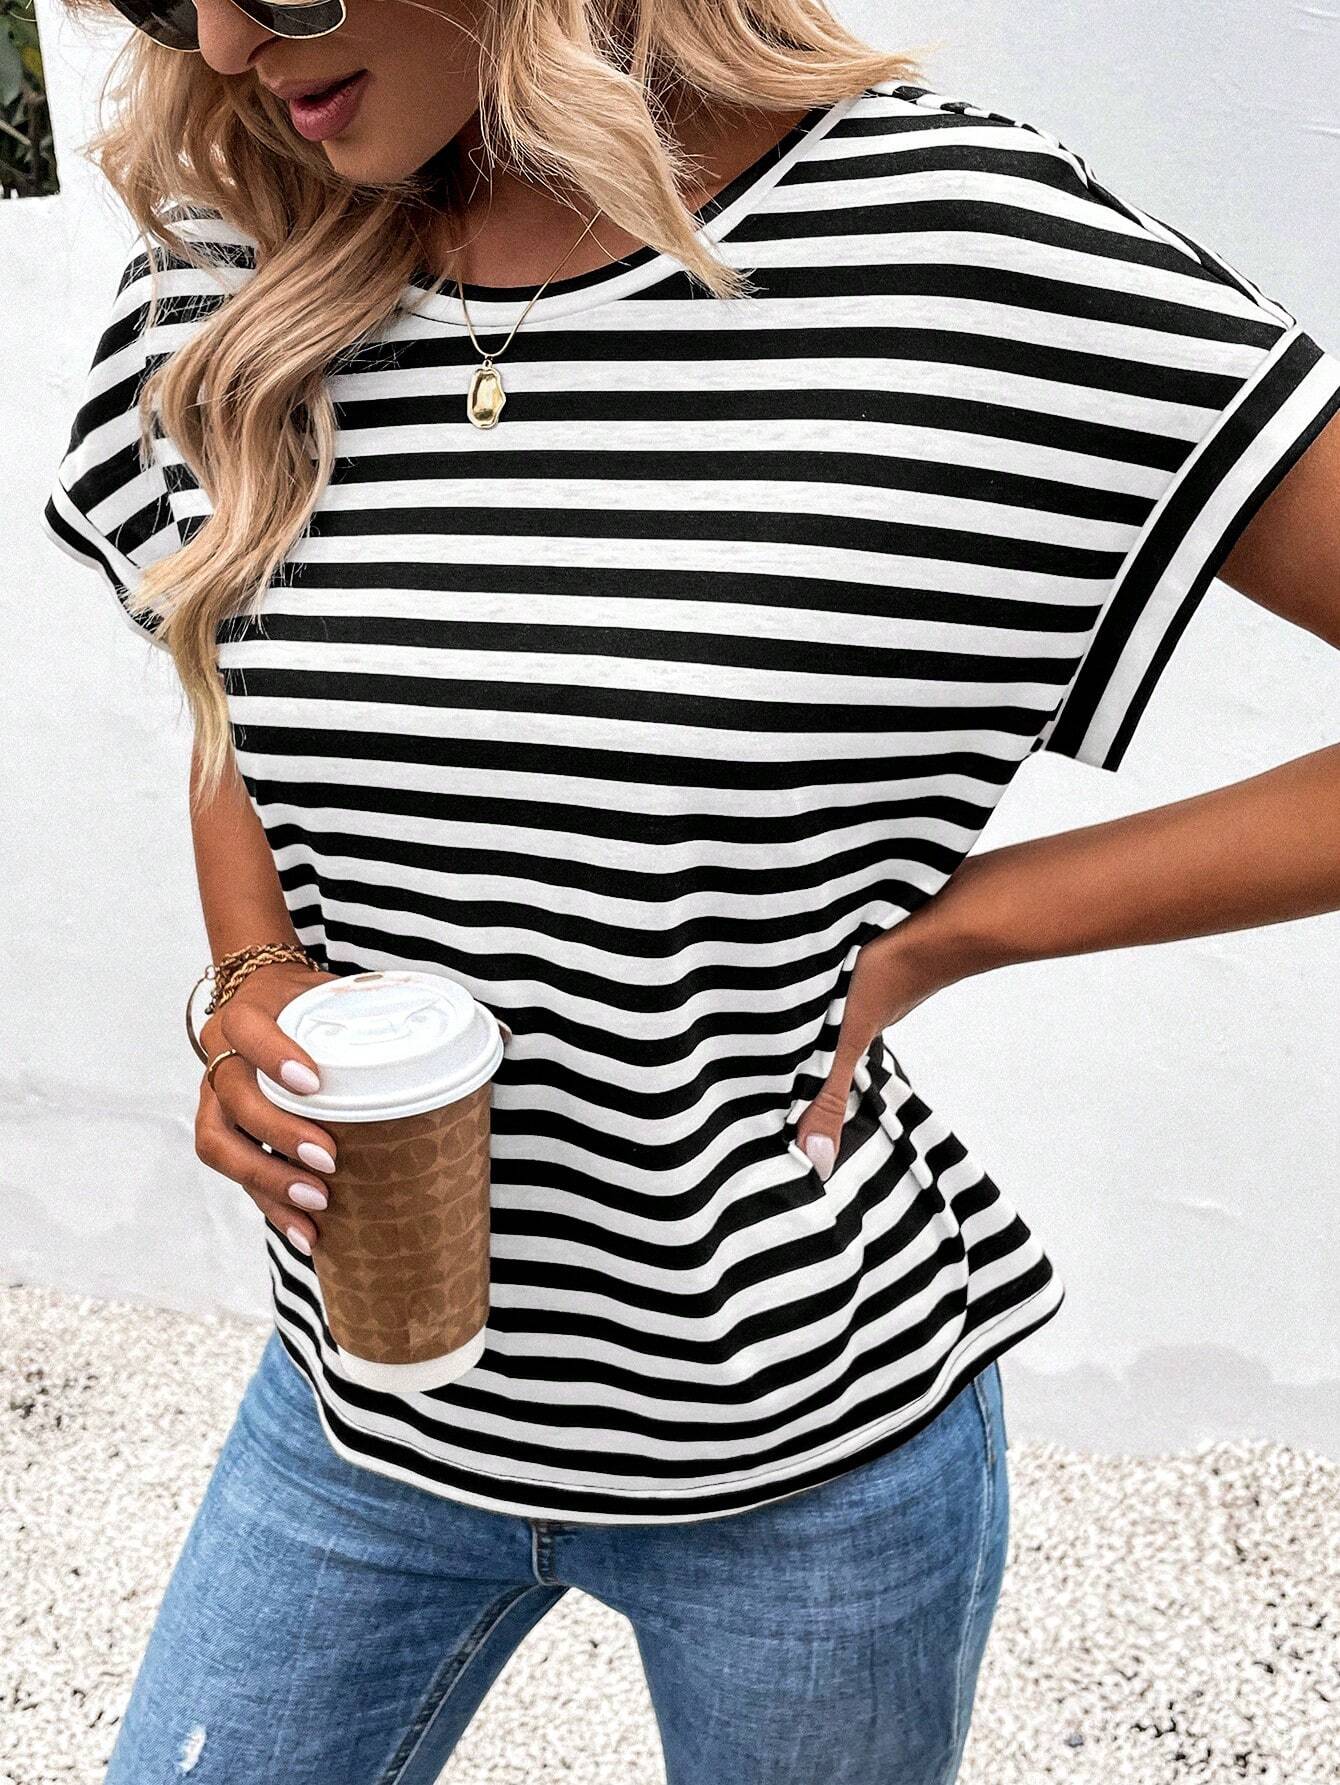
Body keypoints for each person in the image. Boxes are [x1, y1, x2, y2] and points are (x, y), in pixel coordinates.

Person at [42, 0, 1340, 1779]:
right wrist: (251, 965)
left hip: (805, 1452)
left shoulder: (951, 246)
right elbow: (222, 664)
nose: (219, 39)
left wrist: (960, 929)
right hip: (359, 1406)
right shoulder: (242, 261)